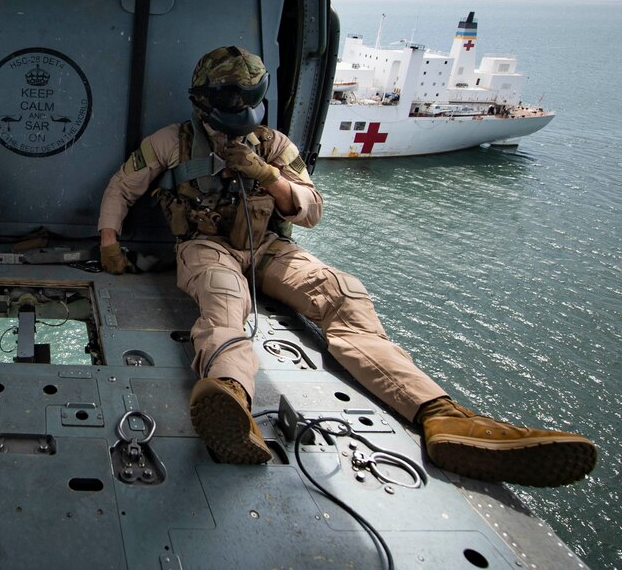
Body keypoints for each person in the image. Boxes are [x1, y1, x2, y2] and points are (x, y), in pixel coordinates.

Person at [97, 45, 596, 487]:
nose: (245, 108)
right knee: (224, 297)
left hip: (267, 247)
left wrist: (269, 177)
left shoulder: (274, 146)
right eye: (234, 98)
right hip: (204, 246)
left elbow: (310, 211)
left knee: (341, 292)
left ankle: (440, 415)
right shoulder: (173, 142)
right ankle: (228, 395)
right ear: (207, 98)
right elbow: (124, 186)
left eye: (253, 94)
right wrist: (109, 241)